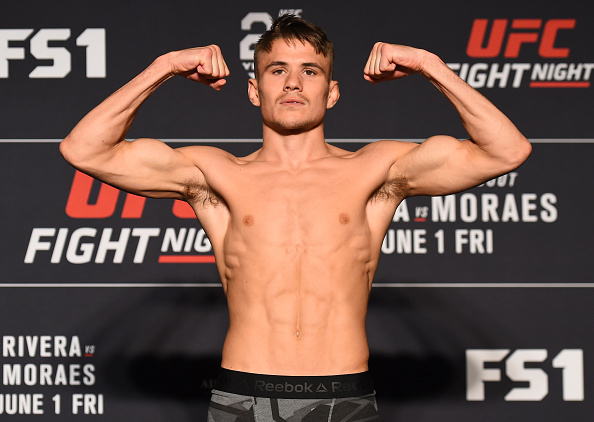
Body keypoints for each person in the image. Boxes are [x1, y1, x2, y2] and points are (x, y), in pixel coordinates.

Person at [60, 14, 531, 422]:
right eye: (276, 70)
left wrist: (429, 65)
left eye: (310, 71)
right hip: (244, 395)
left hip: (343, 395)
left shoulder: (375, 171)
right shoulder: (215, 175)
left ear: (331, 93)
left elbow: (507, 151)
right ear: (253, 90)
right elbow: (83, 149)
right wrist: (165, 67)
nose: (292, 83)